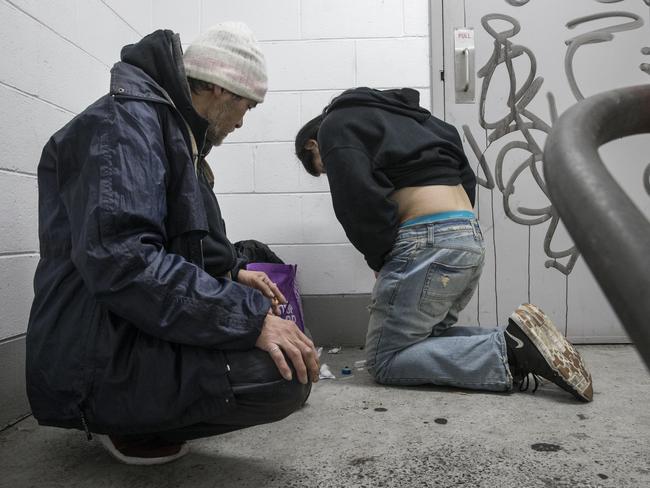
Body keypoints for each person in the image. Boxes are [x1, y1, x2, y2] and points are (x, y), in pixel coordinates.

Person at [26, 22, 319, 466]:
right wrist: (248, 320)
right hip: (96, 354)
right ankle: (124, 420)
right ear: (221, 90)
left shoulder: (169, 133)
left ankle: (143, 408)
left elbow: (172, 247)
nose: (242, 121)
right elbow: (124, 262)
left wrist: (233, 274)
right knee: (278, 378)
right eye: (247, 106)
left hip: (124, 329)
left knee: (289, 356)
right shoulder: (123, 127)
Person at [294, 87, 592, 402]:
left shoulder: (335, 125)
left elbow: (358, 203)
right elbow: (465, 177)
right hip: (467, 236)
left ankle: (511, 352)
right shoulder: (424, 122)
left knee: (384, 360)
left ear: (313, 144)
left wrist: (381, 260)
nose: (329, 170)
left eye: (323, 166)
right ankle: (527, 341)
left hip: (427, 240)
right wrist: (453, 235)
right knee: (429, 336)